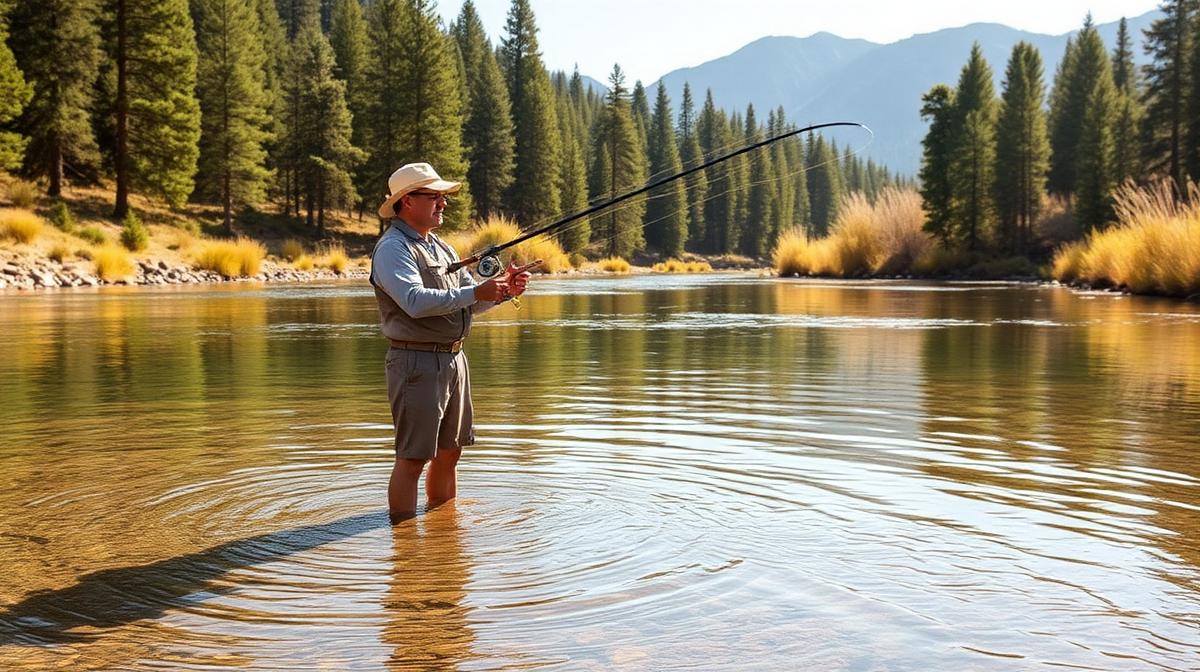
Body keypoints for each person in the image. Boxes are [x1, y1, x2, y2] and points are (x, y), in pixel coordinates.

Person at [370, 162, 530, 523]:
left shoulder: (439, 247)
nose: (443, 204)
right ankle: (404, 542)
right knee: (413, 459)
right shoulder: (392, 249)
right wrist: (476, 290)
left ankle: (443, 537)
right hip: (415, 364)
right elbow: (414, 300)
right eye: (435, 197)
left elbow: (465, 304)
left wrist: (502, 292)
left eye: (443, 197)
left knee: (449, 453)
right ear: (408, 201)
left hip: (454, 360)